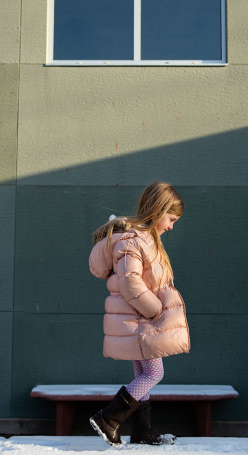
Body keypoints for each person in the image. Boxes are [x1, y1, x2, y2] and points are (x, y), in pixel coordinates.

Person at [87, 182, 190, 447]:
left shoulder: (144, 239)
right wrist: (156, 311)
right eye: (171, 219)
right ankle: (108, 419)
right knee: (155, 374)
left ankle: (143, 433)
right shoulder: (133, 240)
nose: (171, 226)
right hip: (140, 320)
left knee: (143, 373)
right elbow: (131, 283)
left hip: (137, 320)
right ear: (158, 211)